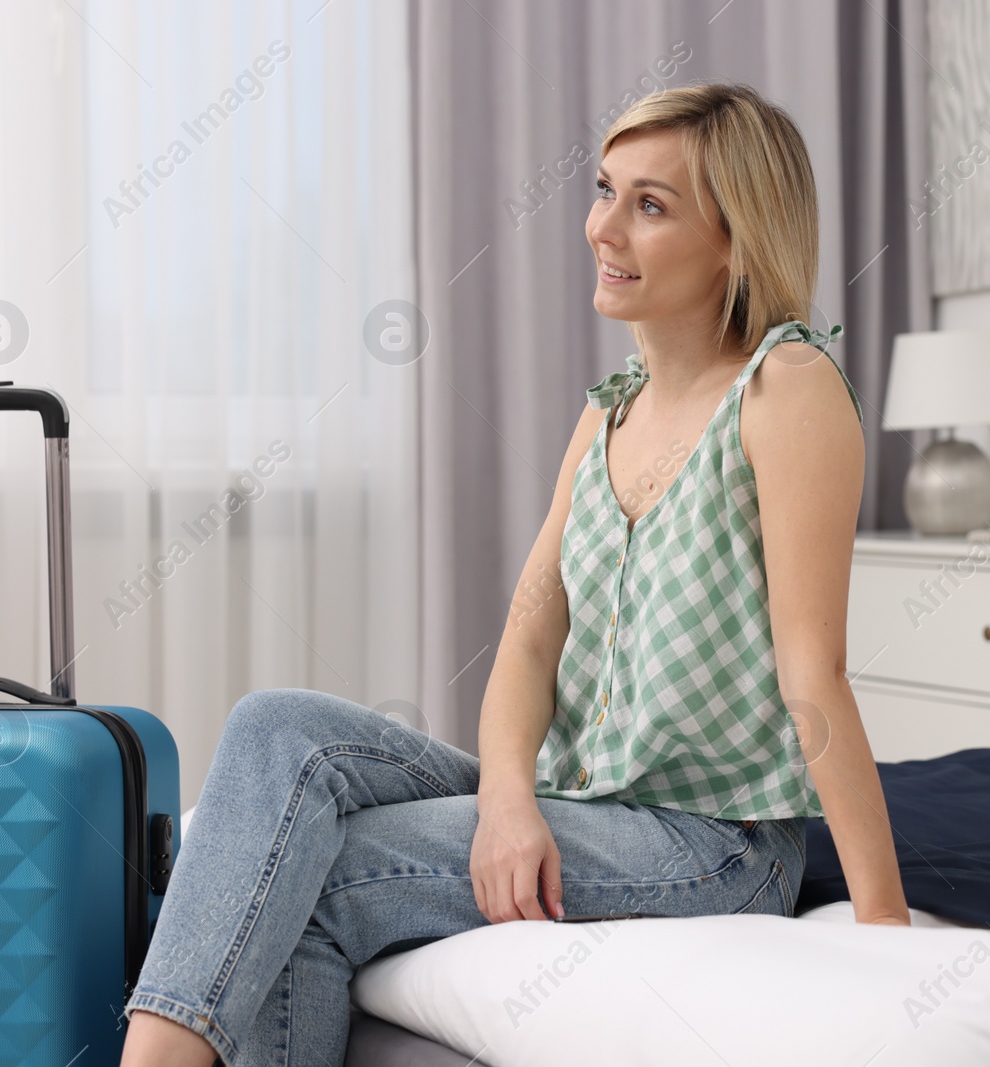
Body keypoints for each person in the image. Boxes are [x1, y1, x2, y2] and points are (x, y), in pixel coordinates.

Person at [118, 80, 909, 1067]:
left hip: (709, 840)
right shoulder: (608, 411)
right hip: (576, 792)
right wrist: (506, 802)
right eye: (605, 190)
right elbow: (531, 635)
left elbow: (813, 674)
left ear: (734, 241)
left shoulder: (785, 390)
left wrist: (881, 917)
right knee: (275, 725)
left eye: (650, 205)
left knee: (319, 870)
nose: (601, 227)